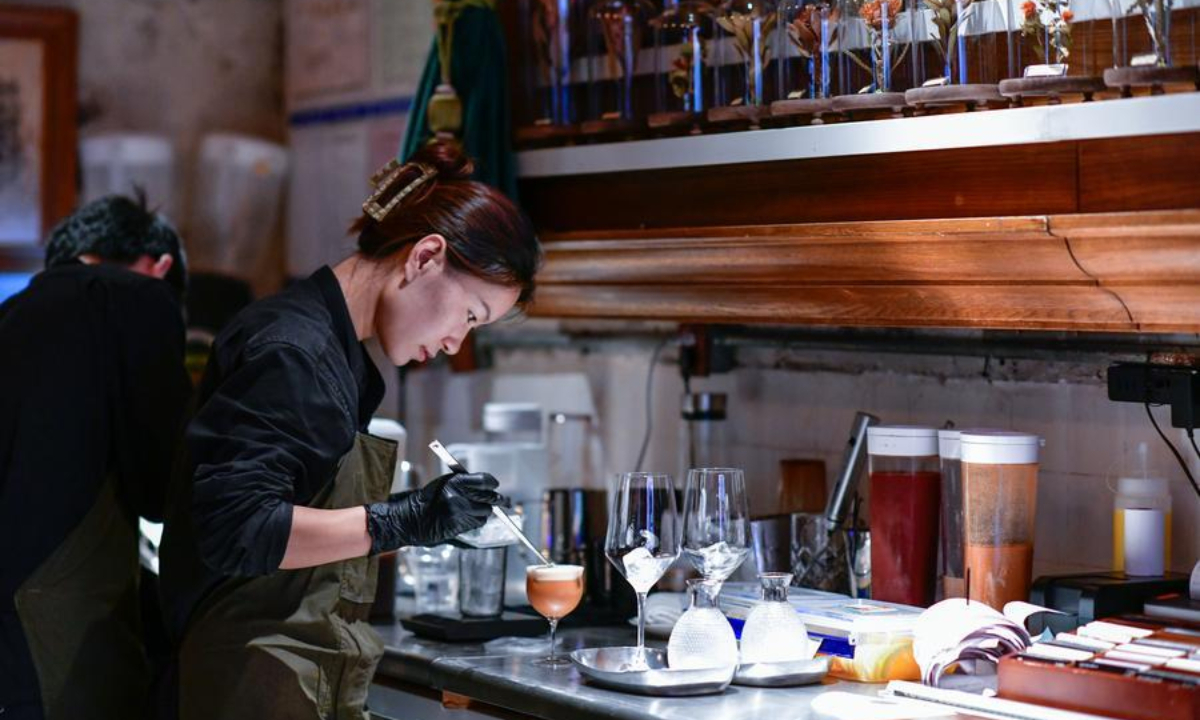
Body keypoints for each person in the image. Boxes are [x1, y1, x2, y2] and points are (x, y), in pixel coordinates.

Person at [158, 143, 541, 719]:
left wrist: (426, 522)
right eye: (469, 314)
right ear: (425, 258)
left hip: (286, 673)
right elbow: (236, 527)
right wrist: (405, 519)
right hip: (244, 680)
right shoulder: (296, 354)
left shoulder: (331, 349)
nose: (454, 343)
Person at [0, 193, 192, 720]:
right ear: (160, 268)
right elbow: (164, 486)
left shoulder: (10, 315)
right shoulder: (138, 300)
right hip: (58, 638)